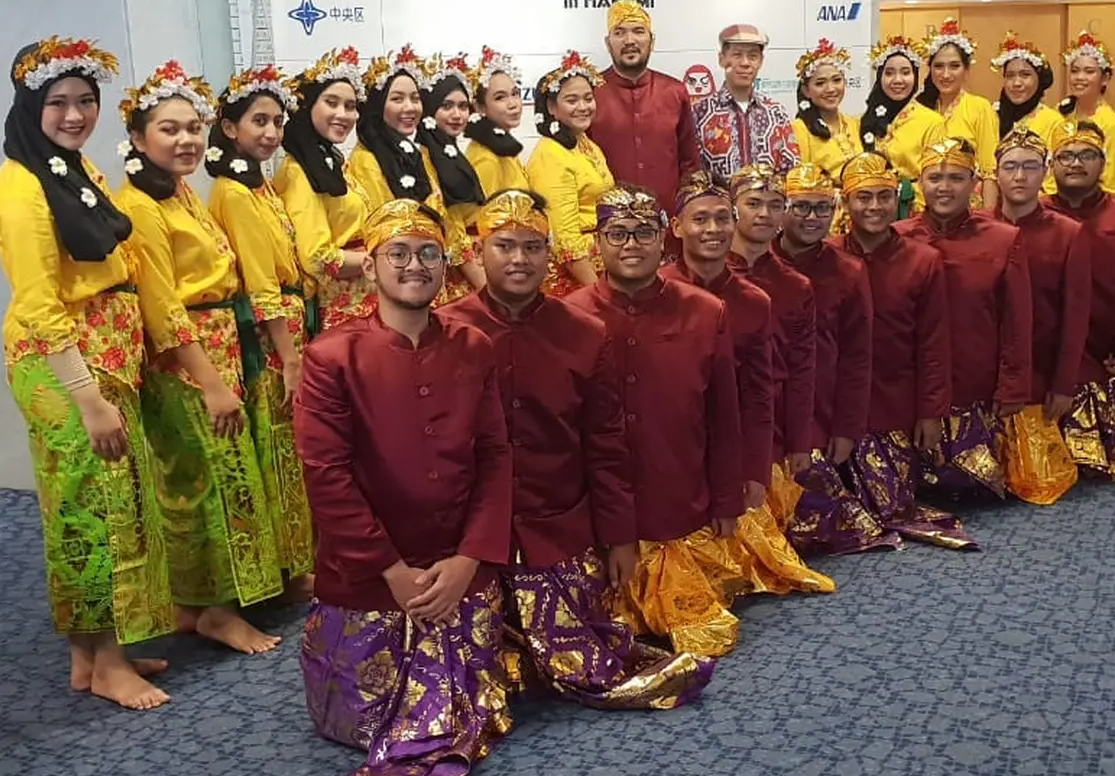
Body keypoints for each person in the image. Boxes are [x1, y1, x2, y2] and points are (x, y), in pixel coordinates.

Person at [441, 189, 714, 708]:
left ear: (551, 254)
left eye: (532, 246)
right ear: (478, 254)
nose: (519, 259)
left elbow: (605, 444)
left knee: (584, 652)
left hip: (555, 525)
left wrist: (619, 536)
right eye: (504, 246)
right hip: (467, 533)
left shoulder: (584, 333)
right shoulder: (449, 328)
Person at [296, 199, 512, 773]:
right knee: (367, 717)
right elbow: (326, 474)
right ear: (370, 267)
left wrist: (469, 558)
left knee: (480, 702)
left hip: (459, 569)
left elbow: (494, 456)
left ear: (445, 265)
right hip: (369, 577)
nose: (414, 265)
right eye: (398, 252)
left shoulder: (473, 346)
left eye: (428, 253)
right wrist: (390, 571)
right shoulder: (330, 357)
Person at [0, 37, 173, 710]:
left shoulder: (70, 169)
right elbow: (40, 303)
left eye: (85, 102)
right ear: (29, 107)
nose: (74, 116)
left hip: (103, 360)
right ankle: (103, 662)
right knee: (87, 512)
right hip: (66, 371)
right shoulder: (21, 185)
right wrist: (87, 397)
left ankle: (92, 656)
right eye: (59, 104)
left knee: (102, 505)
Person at [116, 61, 285, 654]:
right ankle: (212, 609)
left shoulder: (181, 191)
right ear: (138, 138)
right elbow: (163, 309)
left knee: (216, 475)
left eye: (193, 128)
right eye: (170, 129)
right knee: (202, 482)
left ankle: (202, 603)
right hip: (186, 361)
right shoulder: (139, 205)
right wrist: (211, 382)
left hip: (217, 344)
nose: (186, 140)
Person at [566, 184, 747, 658]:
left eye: (643, 233)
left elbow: (724, 414)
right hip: (593, 509)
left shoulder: (706, 312)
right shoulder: (570, 316)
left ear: (664, 237)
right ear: (597, 243)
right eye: (618, 233)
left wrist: (727, 497)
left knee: (707, 636)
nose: (631, 245)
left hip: (676, 494)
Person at [662, 171, 836, 593]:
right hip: (673, 447)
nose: (714, 229)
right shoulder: (659, 288)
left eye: (722, 218)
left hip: (740, 437)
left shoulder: (761, 297)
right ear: (677, 226)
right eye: (700, 219)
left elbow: (773, 385)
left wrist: (780, 452)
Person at [206, 65, 315, 597]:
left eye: (276, 121)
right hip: (272, 338)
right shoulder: (233, 191)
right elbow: (260, 280)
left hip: (289, 325)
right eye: (258, 121)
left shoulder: (261, 183)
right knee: (276, 447)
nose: (270, 132)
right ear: (229, 127)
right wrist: (289, 354)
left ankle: (297, 560)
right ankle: (292, 571)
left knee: (291, 448)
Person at [835, 152, 976, 550]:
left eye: (883, 196)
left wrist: (931, 411)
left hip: (895, 399)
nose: (874, 207)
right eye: (863, 198)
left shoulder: (923, 260)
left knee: (890, 506)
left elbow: (934, 341)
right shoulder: (827, 256)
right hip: (835, 405)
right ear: (845, 203)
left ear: (897, 198)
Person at [770, 165, 898, 556]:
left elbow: (859, 355)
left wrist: (847, 428)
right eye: (802, 207)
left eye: (822, 209)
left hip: (820, 409)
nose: (812, 218)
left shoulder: (848, 270)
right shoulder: (754, 262)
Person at [895, 138, 1032, 500]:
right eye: (934, 177)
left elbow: (1016, 321)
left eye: (956, 178)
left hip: (976, 384)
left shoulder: (1004, 239)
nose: (944, 187)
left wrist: (1012, 385)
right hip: (910, 387)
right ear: (919, 183)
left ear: (975, 184)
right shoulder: (896, 238)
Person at [994, 127, 1088, 504]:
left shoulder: (1068, 233)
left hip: (1043, 372)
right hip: (990, 378)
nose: (1020, 176)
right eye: (1011, 167)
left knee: (1038, 482)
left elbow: (1075, 314)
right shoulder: (980, 227)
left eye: (1030, 167)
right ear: (995, 173)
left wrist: (1064, 384)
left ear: (1046, 171)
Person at [725, 165, 814, 527]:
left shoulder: (795, 285)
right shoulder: (701, 280)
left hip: (771, 417)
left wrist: (800, 441)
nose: (764, 213)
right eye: (753, 203)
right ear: (733, 208)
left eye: (775, 205)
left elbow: (802, 368)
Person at [273, 47, 374, 332]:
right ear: (308, 108)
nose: (343, 114)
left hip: (365, 297)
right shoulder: (298, 170)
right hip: (342, 309)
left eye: (351, 106)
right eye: (331, 103)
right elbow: (317, 258)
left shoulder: (332, 162)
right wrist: (379, 260)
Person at [1043, 120, 1115, 476]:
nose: (1075, 163)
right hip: (1049, 354)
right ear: (1051, 165)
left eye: (1086, 155)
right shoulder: (1031, 216)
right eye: (1065, 155)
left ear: (1102, 164)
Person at [590, 0, 701, 218]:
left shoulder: (674, 91)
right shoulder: (590, 93)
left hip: (668, 221)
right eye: (619, 33)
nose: (629, 40)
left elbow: (690, 163)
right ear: (607, 42)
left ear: (652, 41)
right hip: (608, 226)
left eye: (638, 31)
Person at [526, 50, 614, 296]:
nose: (583, 107)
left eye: (588, 98)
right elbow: (563, 237)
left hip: (599, 263)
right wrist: (597, 293)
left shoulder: (585, 143)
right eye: (572, 100)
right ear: (552, 107)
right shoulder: (550, 154)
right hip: (573, 277)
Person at [416, 53, 487, 304]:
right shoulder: (424, 156)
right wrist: (486, 287)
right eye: (446, 106)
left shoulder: (451, 152)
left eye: (463, 106)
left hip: (475, 266)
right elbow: (451, 227)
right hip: (459, 277)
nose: (457, 114)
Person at [692, 23, 799, 178]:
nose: (745, 63)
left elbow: (791, 167)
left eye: (752, 56)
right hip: (719, 201)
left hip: (767, 201)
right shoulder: (700, 111)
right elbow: (692, 171)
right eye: (737, 55)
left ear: (760, 62)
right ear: (722, 59)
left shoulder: (775, 112)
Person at [350, 46, 444, 216]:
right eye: (397, 99)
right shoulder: (367, 159)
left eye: (415, 99)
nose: (409, 107)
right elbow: (386, 222)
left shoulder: (418, 153)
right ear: (378, 107)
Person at [859, 35, 945, 218]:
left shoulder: (931, 121)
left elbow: (936, 177)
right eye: (889, 73)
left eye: (905, 72)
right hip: (869, 212)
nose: (898, 80)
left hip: (913, 213)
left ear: (915, 76)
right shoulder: (865, 120)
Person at [918, 18, 999, 210]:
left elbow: (990, 170)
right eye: (938, 66)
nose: (945, 75)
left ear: (967, 69)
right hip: (925, 205)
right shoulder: (921, 109)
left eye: (954, 66)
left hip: (968, 205)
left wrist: (987, 218)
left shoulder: (980, 107)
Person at [792, 39, 863, 185]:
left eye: (837, 80)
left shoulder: (856, 124)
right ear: (806, 91)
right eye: (820, 83)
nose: (830, 89)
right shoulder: (798, 129)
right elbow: (800, 183)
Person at [465, 47, 528, 196]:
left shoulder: (504, 147)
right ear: (479, 107)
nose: (513, 104)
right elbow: (485, 216)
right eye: (500, 97)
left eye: (515, 94)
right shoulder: (486, 158)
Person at [1058, 31, 1115, 193]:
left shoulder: (1110, 123)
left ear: (1104, 78)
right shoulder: (1060, 113)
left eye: (1089, 71)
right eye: (1075, 71)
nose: (1079, 77)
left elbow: (1109, 180)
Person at [992, 33, 1059, 142]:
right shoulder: (990, 116)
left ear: (1039, 79)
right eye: (1010, 76)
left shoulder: (1053, 122)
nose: (1016, 83)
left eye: (1025, 75)